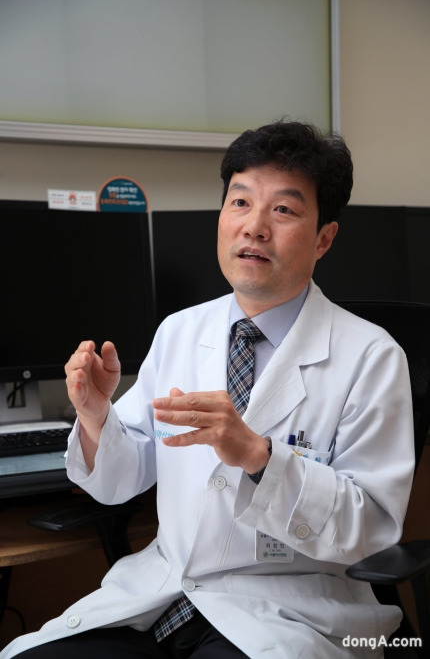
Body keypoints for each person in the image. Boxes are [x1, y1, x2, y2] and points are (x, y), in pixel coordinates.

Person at [1, 121, 415, 659]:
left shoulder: (371, 356)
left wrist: (261, 458)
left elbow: (372, 530)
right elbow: (121, 481)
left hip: (289, 611)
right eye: (240, 202)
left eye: (283, 210)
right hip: (162, 594)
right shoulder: (180, 331)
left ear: (324, 239)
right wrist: (97, 417)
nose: (254, 227)